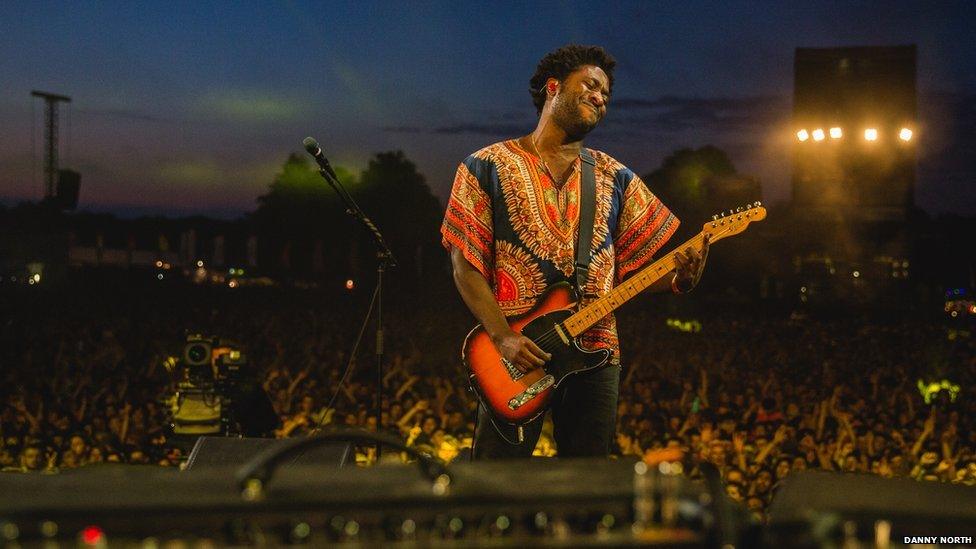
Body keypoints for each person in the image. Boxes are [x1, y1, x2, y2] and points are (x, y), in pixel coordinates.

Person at [441, 44, 708, 459]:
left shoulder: (616, 177)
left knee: (588, 478)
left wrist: (678, 280)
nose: (601, 98)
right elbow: (464, 264)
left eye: (607, 94)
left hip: (597, 352)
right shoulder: (484, 165)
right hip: (516, 355)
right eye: (591, 85)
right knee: (495, 479)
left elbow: (631, 276)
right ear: (553, 87)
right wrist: (502, 336)